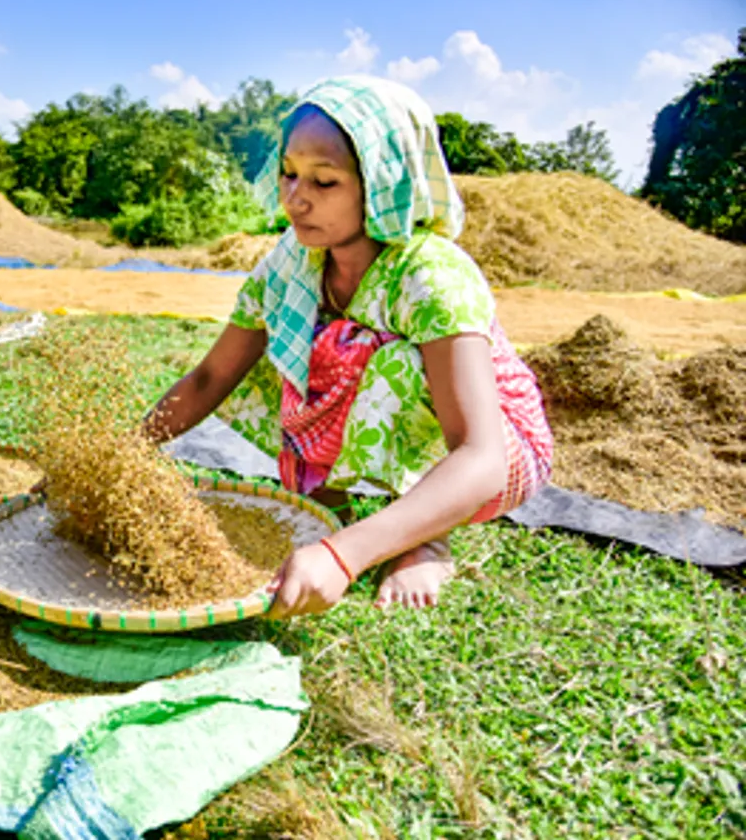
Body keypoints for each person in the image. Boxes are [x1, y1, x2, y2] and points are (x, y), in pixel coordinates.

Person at [141, 75, 553, 617]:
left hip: (496, 449)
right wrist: (125, 450)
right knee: (290, 347)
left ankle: (419, 540)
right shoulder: (290, 266)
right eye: (289, 174)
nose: (296, 196)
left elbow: (481, 458)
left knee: (391, 362)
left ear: (382, 186)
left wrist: (341, 557)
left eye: (324, 182)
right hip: (446, 445)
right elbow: (210, 378)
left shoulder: (431, 275)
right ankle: (329, 506)